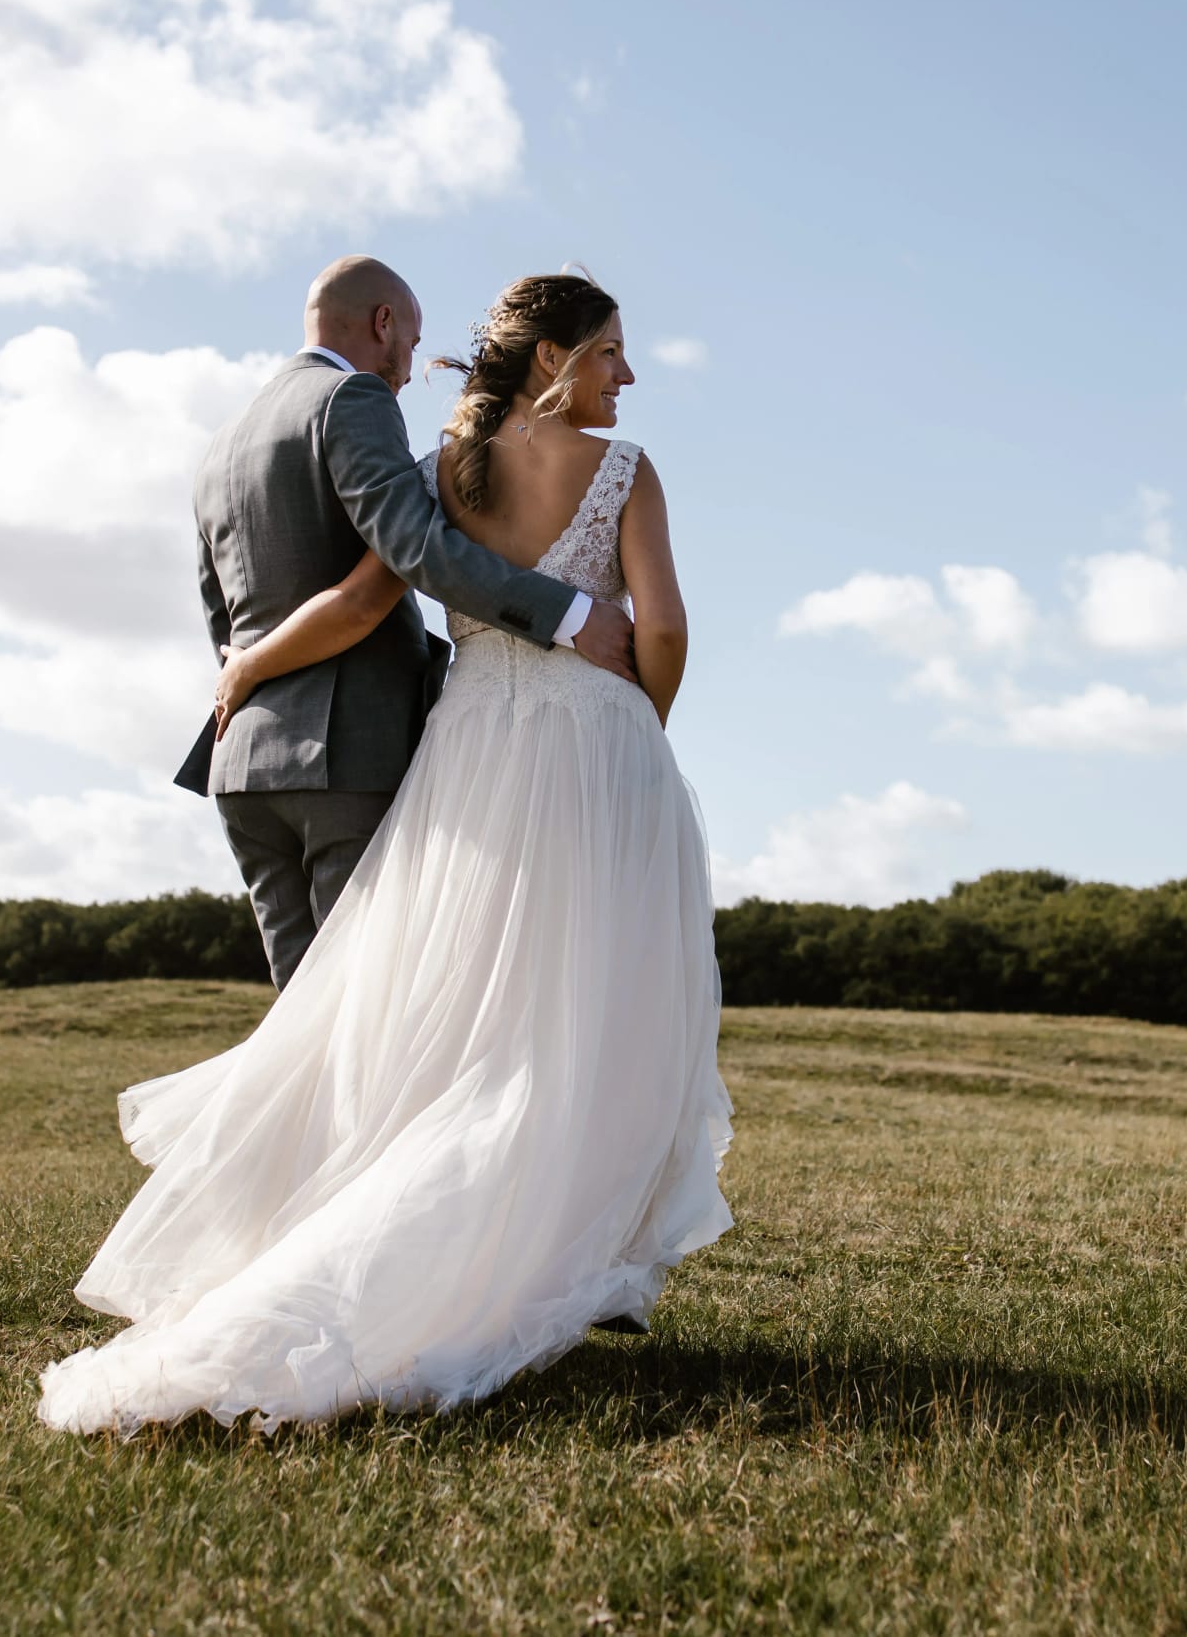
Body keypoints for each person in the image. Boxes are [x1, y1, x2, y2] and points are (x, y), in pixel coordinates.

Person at [39, 271, 731, 1434]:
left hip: (466, 753)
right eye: (611, 350)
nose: (626, 374)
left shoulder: (444, 472)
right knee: (585, 1015)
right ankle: (542, 1260)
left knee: (447, 1014)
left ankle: (408, 1244)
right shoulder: (625, 471)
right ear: (555, 355)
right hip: (592, 748)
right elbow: (659, 627)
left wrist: (247, 663)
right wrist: (639, 729)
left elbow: (363, 600)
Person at [167, 255, 638, 989]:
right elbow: (414, 549)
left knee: (299, 1016)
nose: (409, 364)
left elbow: (223, 620)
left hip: (243, 767)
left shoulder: (223, 442)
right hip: (346, 755)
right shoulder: (350, 397)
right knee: (362, 1009)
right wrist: (570, 614)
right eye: (411, 343)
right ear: (382, 323)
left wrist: (250, 681)